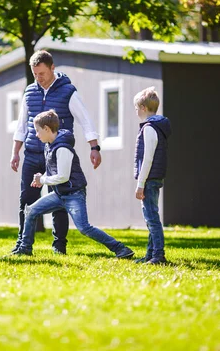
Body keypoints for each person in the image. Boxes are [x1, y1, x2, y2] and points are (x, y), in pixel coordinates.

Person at [10, 50, 101, 255]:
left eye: (42, 73)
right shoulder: (30, 92)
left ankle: (59, 246)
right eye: (35, 74)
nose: (38, 78)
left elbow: (85, 120)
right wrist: (15, 152)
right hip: (33, 154)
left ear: (52, 68)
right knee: (26, 201)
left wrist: (94, 147)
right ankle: (23, 245)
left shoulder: (68, 91)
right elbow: (22, 125)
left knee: (59, 200)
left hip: (57, 154)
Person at [10, 110, 134, 259]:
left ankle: (121, 249)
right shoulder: (49, 145)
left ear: (47, 129)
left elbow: (63, 176)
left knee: (84, 228)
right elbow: (54, 170)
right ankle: (25, 248)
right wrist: (41, 177)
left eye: (38, 131)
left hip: (74, 195)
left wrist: (42, 180)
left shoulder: (62, 148)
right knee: (30, 211)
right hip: (59, 194)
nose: (36, 135)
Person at [133, 87, 172, 264]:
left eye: (136, 108)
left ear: (142, 108)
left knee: (152, 218)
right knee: (151, 216)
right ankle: (150, 254)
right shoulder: (156, 127)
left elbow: (147, 158)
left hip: (149, 179)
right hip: (154, 178)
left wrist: (141, 184)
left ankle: (158, 256)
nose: (135, 111)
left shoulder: (149, 128)